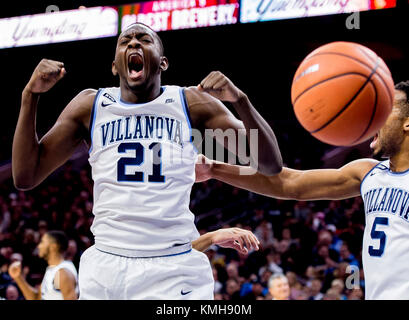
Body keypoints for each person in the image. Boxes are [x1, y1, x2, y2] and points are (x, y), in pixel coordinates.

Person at [12, 22, 282, 300]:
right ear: (115, 66)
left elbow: (270, 164)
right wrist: (29, 96)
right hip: (107, 265)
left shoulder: (191, 102)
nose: (133, 43)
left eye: (144, 39)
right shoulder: (89, 105)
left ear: (163, 62)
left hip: (173, 265)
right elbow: (26, 176)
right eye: (125, 41)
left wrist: (241, 100)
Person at [195, 81, 409, 300]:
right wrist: (215, 168)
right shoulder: (368, 172)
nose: (375, 118)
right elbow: (290, 183)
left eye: (386, 109)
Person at [8, 231, 78, 300]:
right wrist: (18, 278)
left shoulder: (63, 272)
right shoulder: (53, 270)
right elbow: (36, 298)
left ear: (53, 246)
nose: (39, 246)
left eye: (42, 242)